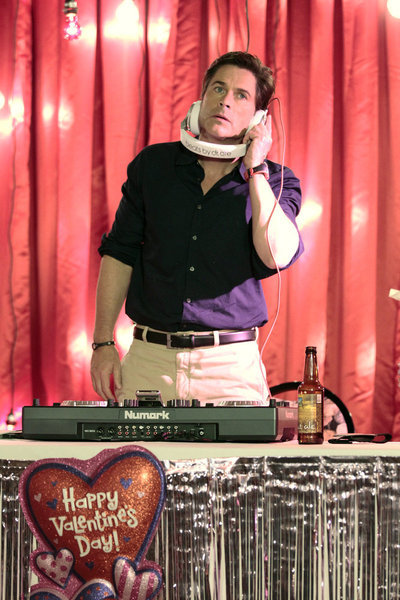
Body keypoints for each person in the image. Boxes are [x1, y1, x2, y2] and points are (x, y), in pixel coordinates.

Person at [90, 51, 303, 406]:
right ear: (202, 98)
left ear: (259, 118)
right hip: (149, 361)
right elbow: (119, 253)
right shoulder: (153, 166)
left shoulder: (278, 181)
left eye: (241, 95)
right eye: (218, 88)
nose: (225, 101)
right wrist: (103, 342)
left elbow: (276, 254)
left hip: (230, 368)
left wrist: (255, 170)